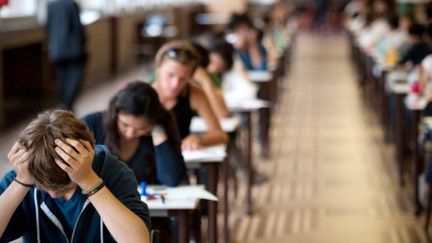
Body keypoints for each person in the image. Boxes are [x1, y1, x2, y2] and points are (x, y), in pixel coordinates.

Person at [0, 109, 150, 242]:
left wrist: (90, 182)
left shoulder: (114, 173)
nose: (52, 194)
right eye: (43, 186)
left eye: (65, 186)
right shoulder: (27, 172)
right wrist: (21, 182)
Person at [82, 81, 187, 186]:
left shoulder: (161, 126)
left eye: (141, 128)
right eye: (125, 125)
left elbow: (171, 179)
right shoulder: (92, 124)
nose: (130, 134)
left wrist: (157, 129)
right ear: (115, 114)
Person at [152, 40, 228, 150]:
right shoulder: (143, 95)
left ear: (191, 77)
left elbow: (221, 135)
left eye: (182, 79)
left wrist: (199, 139)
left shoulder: (194, 94)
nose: (175, 84)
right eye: (170, 75)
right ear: (158, 67)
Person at [47, 0, 87, 110]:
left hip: (57, 50)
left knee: (62, 76)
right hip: (73, 49)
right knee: (74, 77)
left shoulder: (51, 6)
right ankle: (67, 103)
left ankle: (63, 101)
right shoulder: (72, 4)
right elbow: (77, 26)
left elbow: (48, 27)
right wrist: (83, 42)